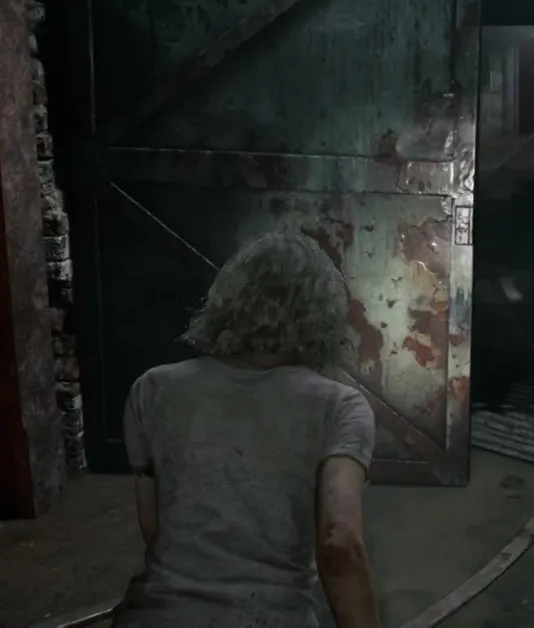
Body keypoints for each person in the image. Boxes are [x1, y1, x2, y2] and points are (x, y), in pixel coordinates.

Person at [111, 231, 380, 628]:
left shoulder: (151, 389)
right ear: (324, 317)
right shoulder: (340, 407)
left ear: (227, 300)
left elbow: (157, 529)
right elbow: (340, 542)